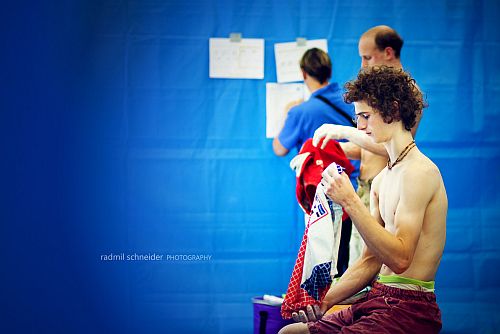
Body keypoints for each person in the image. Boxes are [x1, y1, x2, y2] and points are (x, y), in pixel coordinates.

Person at [278, 66, 447, 334]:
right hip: (378, 297)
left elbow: (401, 259)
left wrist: (351, 201)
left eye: (365, 116)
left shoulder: (419, 172)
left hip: (411, 309)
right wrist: (324, 300)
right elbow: (370, 262)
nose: (360, 126)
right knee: (290, 332)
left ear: (392, 110)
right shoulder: (382, 179)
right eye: (358, 117)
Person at [313, 25, 422, 266]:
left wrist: (344, 132)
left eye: (367, 57)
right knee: (358, 262)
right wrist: (326, 150)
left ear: (389, 53)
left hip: (385, 189)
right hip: (368, 186)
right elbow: (370, 146)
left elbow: (390, 147)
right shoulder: (378, 90)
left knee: (370, 265)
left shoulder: (407, 93)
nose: (363, 64)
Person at [273, 47, 360, 276]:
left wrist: (286, 113)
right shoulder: (353, 103)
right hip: (360, 193)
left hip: (323, 197)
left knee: (322, 267)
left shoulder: (300, 112)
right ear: (329, 71)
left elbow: (279, 148)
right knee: (354, 264)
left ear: (304, 74)